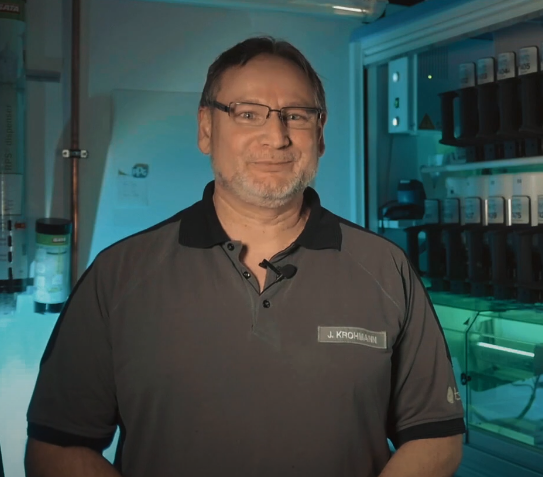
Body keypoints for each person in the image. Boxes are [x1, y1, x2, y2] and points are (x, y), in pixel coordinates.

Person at [23, 36, 464, 477]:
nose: (276, 136)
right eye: (248, 114)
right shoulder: (120, 275)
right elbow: (56, 449)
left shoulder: (385, 268)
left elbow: (435, 435)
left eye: (296, 115)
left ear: (320, 134)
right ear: (206, 128)